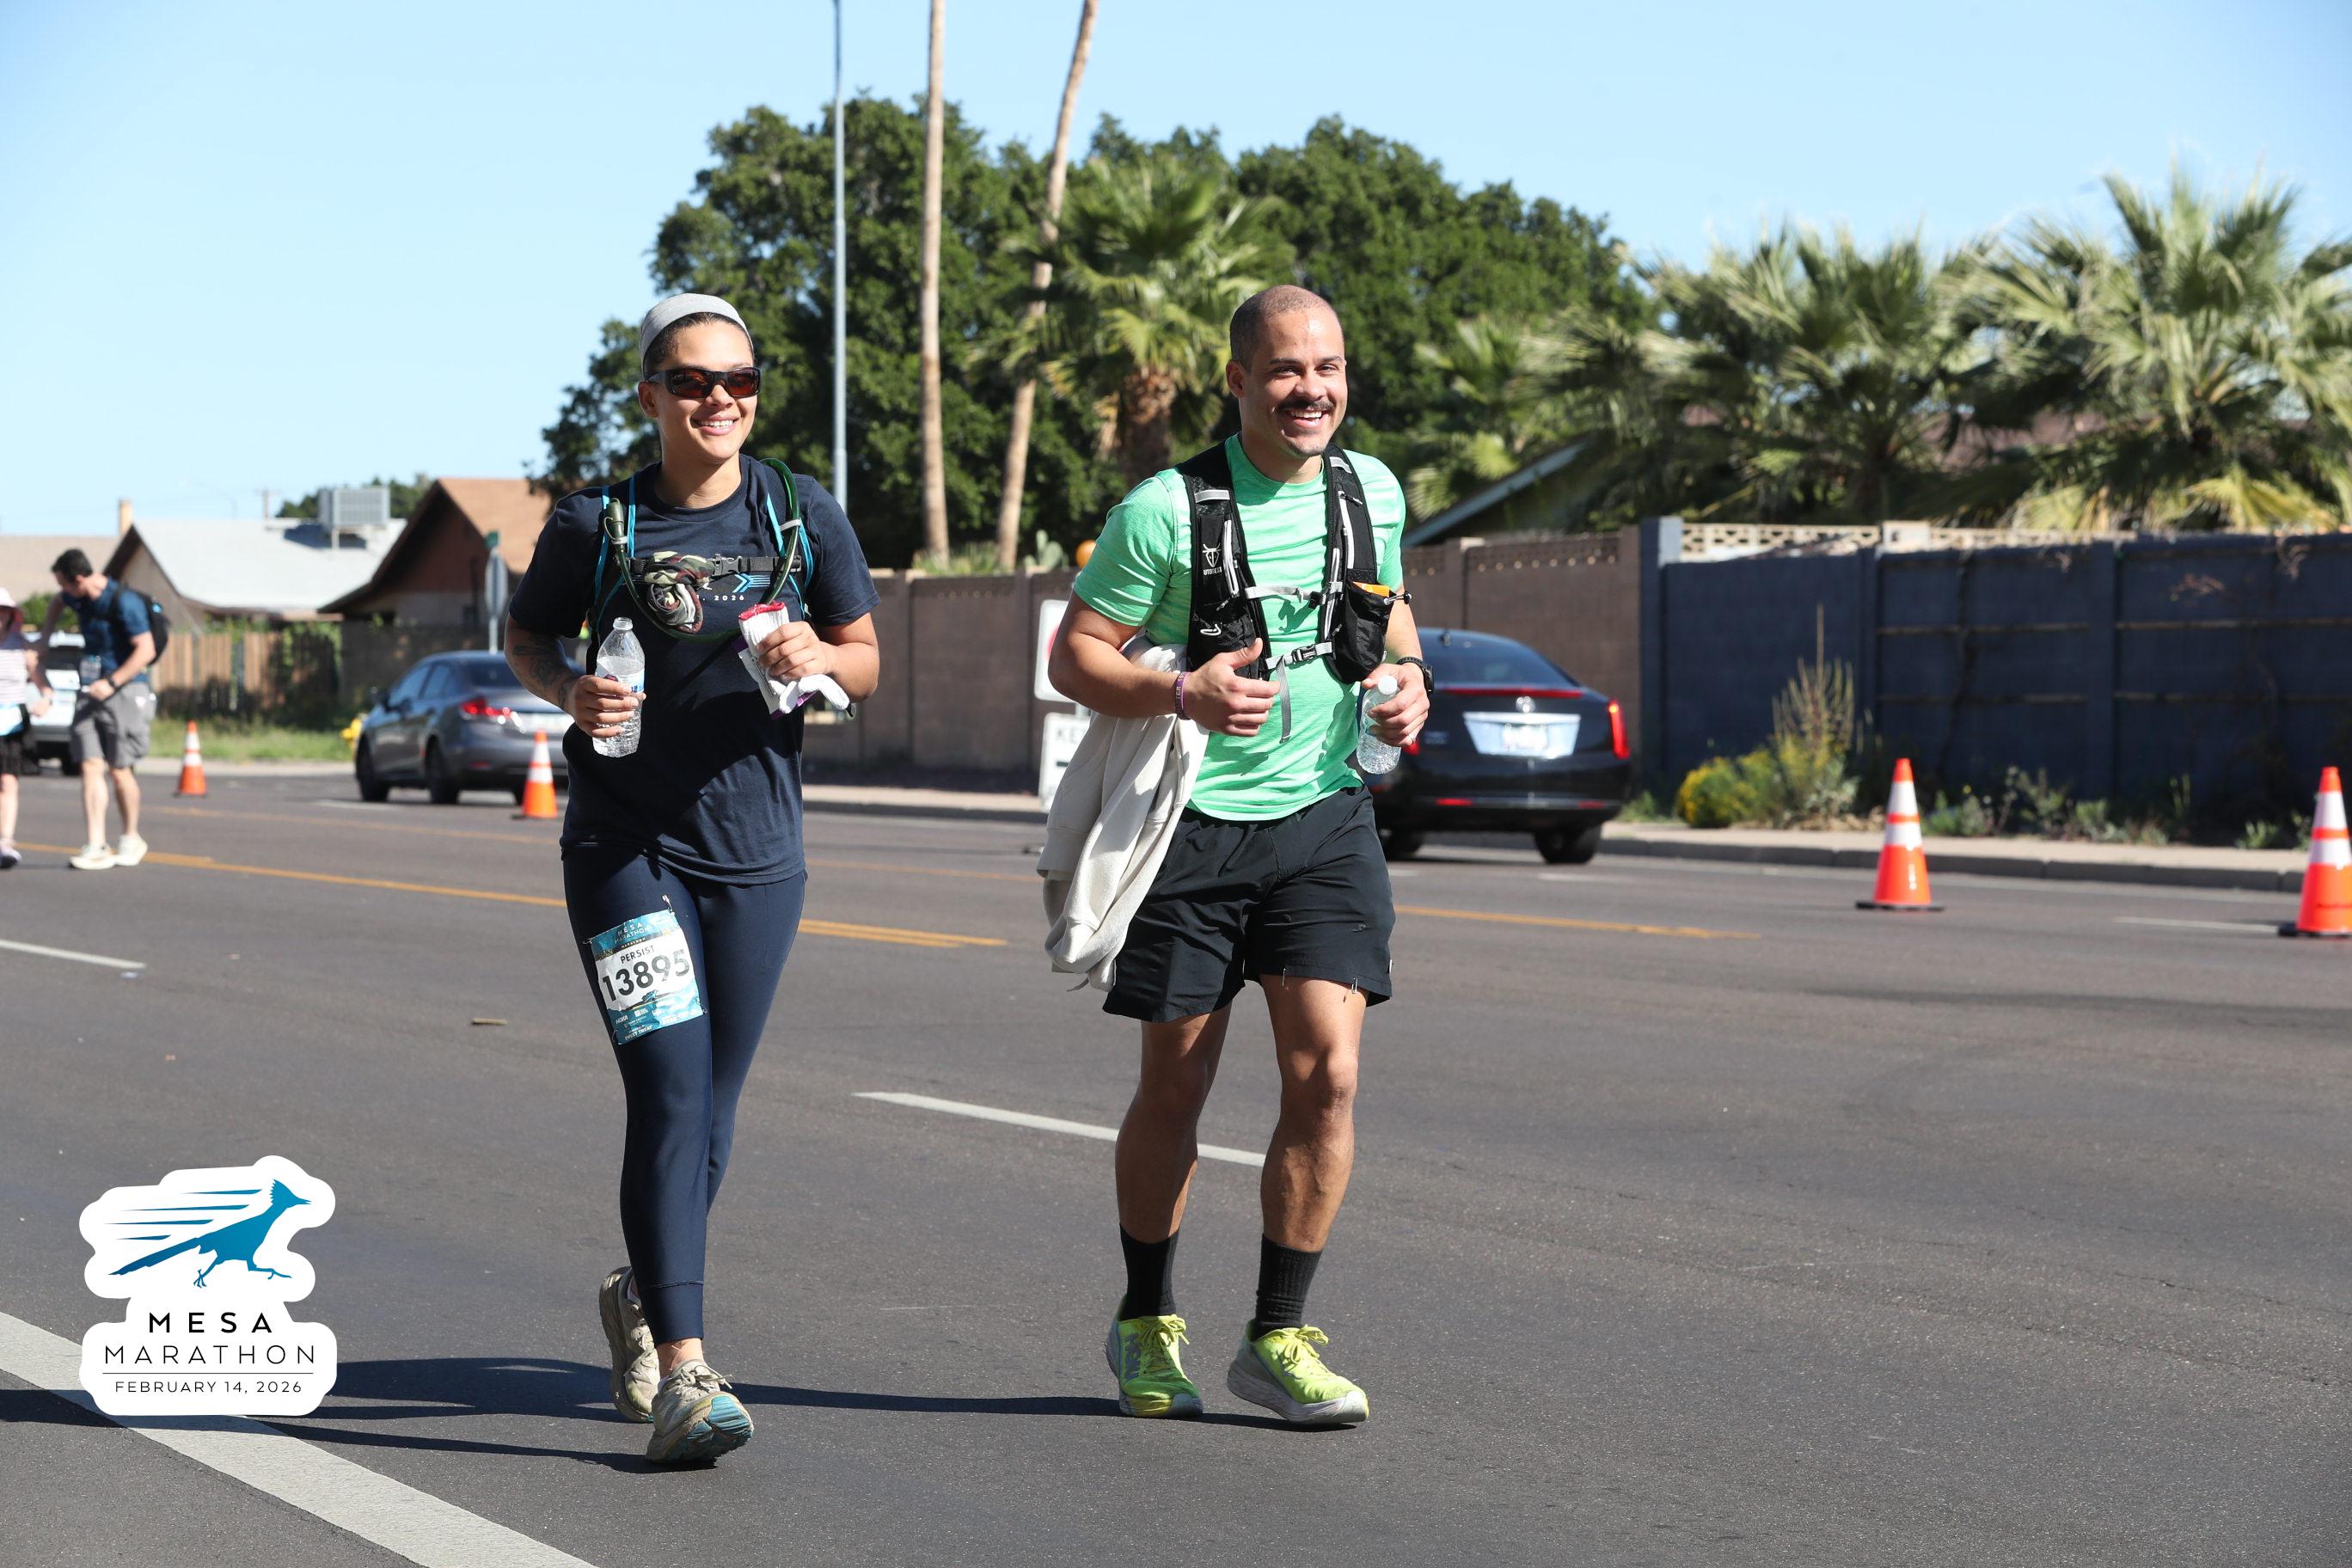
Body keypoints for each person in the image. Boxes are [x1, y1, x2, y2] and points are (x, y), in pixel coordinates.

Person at [503, 291, 880, 1466]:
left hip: (760, 855)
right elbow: (527, 639)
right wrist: (568, 692)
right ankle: (685, 1371)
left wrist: (822, 652)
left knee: (712, 1112)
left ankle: (640, 1293)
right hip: (626, 848)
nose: (722, 399)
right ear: (651, 396)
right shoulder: (597, 522)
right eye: (695, 381)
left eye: (741, 381)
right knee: (669, 1095)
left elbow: (866, 662)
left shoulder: (801, 512)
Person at [1048, 285, 1432, 1426]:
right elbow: (1075, 656)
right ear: (1239, 381)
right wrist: (1182, 690)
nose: (1311, 389)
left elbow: (1391, 614)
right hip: (1192, 831)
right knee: (1178, 1084)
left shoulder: (1372, 490)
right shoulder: (1165, 512)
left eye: (1328, 367)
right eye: (1285, 370)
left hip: (1325, 816)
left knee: (1330, 1076)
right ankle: (1145, 1315)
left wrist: (1410, 681)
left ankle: (1277, 1336)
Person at [39, 550, 155, 871]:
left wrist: (113, 681)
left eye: (64, 583)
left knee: (120, 768)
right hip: (90, 691)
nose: (62, 590)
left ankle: (131, 837)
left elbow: (146, 649)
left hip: (125, 690)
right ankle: (96, 844)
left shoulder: (124, 602)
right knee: (90, 764)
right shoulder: (77, 597)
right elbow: (57, 602)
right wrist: (44, 639)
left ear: (78, 579)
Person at [0, 588, 55, 869]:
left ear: (11, 615)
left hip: (11, 721)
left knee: (8, 781)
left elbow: (43, 684)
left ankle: (5, 842)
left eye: (3, 612)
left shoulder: (21, 647)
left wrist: (46, 699)